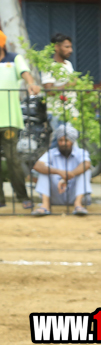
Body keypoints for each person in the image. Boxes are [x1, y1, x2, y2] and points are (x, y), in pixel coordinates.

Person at [0, 28, 42, 210]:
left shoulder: (14, 59)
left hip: (9, 119)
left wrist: (31, 84)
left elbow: (25, 73)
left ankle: (22, 196)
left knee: (13, 160)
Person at [32, 123, 90, 215]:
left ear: (72, 141)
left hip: (74, 195)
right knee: (44, 170)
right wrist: (59, 172)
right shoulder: (51, 152)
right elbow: (37, 166)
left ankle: (78, 205)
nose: (63, 143)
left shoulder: (81, 152)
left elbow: (86, 164)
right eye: (60, 140)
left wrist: (67, 176)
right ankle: (45, 206)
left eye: (66, 140)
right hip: (55, 195)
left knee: (85, 171)